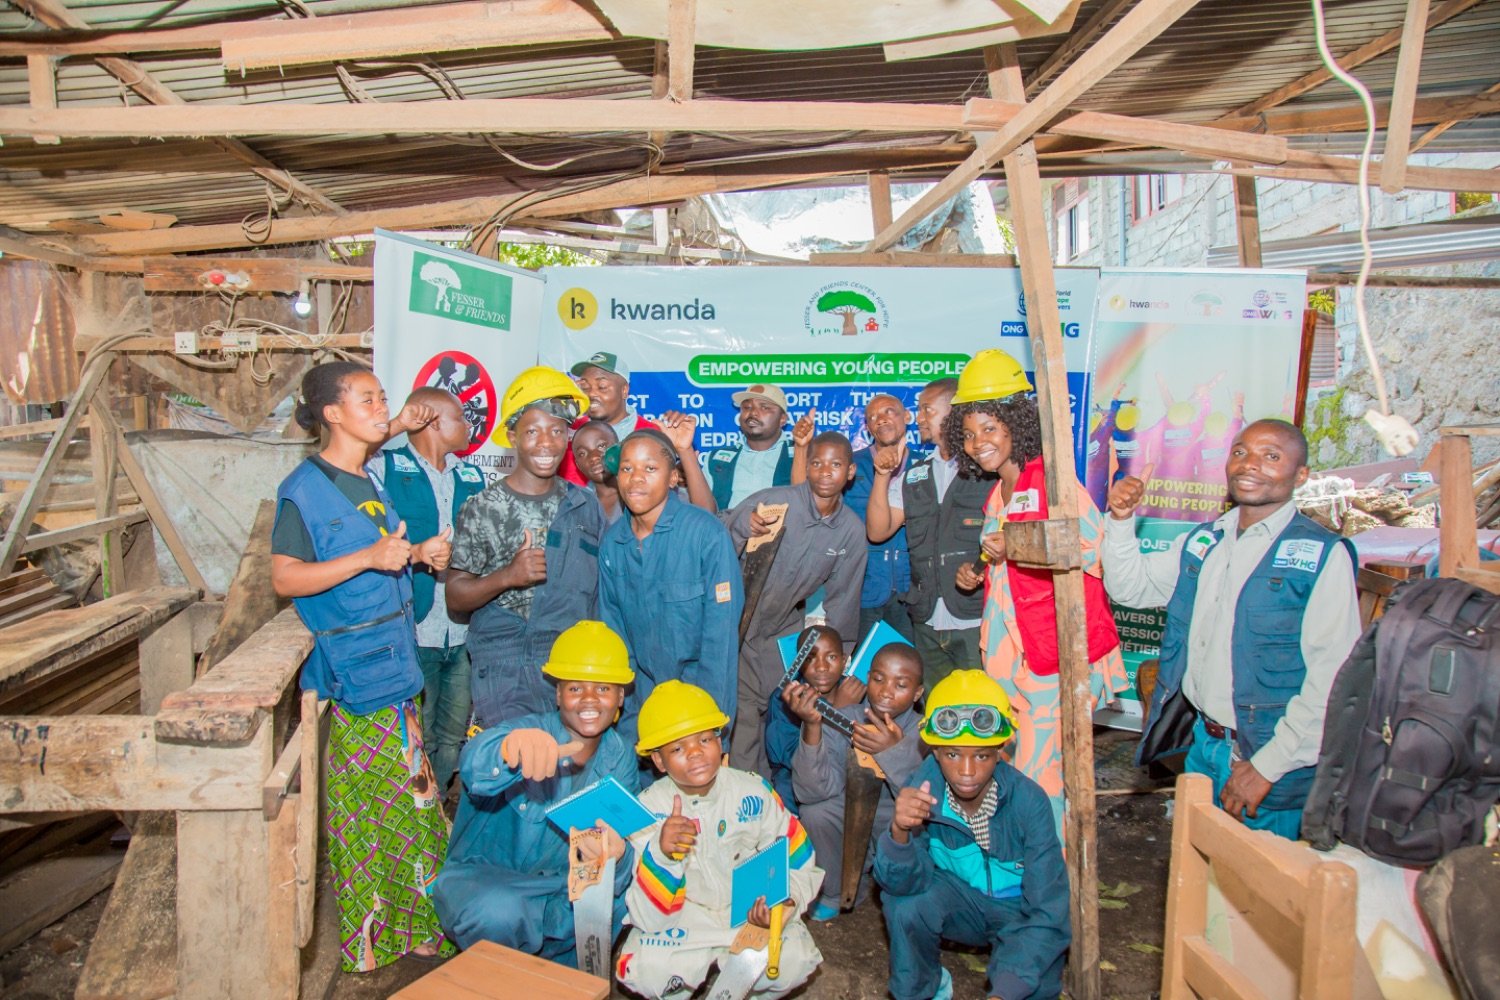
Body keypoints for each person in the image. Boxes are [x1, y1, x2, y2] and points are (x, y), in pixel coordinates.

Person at [270, 362, 455, 971]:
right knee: (369, 817)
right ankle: (372, 943)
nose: (382, 407)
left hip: (395, 670)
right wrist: (368, 557)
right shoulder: (304, 488)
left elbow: (379, 560)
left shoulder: (364, 480)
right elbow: (286, 577)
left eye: (382, 397)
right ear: (332, 413)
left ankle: (419, 928)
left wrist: (414, 555)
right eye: (368, 398)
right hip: (354, 677)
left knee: (415, 807)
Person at [1103, 419, 1361, 839]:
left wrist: (1266, 767)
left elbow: (1334, 680)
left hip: (1268, 757)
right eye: (1240, 452)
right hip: (1205, 744)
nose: (1250, 464)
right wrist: (1119, 520)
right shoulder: (1208, 541)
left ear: (1301, 476)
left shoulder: (1320, 557)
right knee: (1201, 880)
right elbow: (1131, 588)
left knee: (1258, 893)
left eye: (1271, 456)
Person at [949, 349, 1129, 836]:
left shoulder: (1051, 479)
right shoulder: (998, 493)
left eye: (988, 428)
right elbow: (1010, 571)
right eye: (967, 433)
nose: (977, 442)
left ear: (1015, 423)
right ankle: (1025, 871)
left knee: (1040, 779)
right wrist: (980, 571)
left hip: (1055, 658)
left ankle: (1051, 885)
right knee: (1013, 774)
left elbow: (1092, 551)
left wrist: (1016, 544)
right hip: (1013, 661)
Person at [431, 621, 638, 964]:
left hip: (563, 896)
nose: (589, 699)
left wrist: (619, 856)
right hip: (494, 886)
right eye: (575, 688)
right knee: (499, 910)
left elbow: (623, 840)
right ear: (557, 694)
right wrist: (509, 749)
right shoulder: (528, 731)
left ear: (620, 696)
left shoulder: (620, 757)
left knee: (620, 891)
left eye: (603, 688)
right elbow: (475, 764)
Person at [617, 681, 825, 999]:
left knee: (792, 960)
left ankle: (747, 991)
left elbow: (799, 860)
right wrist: (660, 854)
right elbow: (648, 916)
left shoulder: (754, 791)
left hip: (746, 912)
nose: (696, 753)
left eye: (704, 739)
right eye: (677, 748)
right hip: (685, 918)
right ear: (658, 761)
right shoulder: (646, 812)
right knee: (648, 970)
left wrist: (783, 905)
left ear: (720, 740)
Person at [875, 670, 1070, 1000]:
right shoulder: (922, 790)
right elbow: (902, 885)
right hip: (960, 901)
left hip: (1017, 911)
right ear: (935, 751)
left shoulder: (1029, 801)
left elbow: (1046, 910)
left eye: (981, 755)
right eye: (953, 754)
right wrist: (899, 834)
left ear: (1000, 751)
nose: (967, 771)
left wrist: (1004, 992)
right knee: (904, 905)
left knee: (1035, 977)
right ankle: (923, 989)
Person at [445, 366, 604, 727]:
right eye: (532, 431)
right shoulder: (483, 507)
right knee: (518, 764)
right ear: (513, 436)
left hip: (571, 663)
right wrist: (507, 577)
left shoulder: (584, 504)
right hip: (507, 663)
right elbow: (455, 597)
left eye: (557, 431)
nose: (546, 443)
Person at [723, 431, 868, 774]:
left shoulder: (850, 530)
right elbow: (718, 533)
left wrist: (840, 658)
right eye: (816, 463)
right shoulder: (776, 502)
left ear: (849, 472)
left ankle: (774, 797)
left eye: (836, 464)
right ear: (806, 467)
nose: (825, 472)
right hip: (736, 624)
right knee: (742, 716)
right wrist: (743, 525)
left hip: (784, 630)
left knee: (775, 710)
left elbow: (844, 598)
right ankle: (749, 796)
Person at [598, 429, 743, 769]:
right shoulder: (612, 544)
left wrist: (713, 728)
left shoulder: (705, 534)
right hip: (641, 707)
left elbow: (720, 644)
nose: (636, 479)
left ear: (674, 477)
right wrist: (626, 718)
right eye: (627, 469)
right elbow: (615, 637)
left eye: (650, 468)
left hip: (698, 705)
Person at [370, 387, 486, 790]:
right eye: (460, 417)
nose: (468, 425)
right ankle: (417, 817)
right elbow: (346, 460)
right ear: (435, 422)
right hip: (413, 627)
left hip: (463, 628)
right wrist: (399, 424)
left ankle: (436, 810)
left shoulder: (472, 475)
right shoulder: (386, 465)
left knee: (452, 733)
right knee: (413, 734)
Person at [865, 377, 992, 689]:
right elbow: (878, 531)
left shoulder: (987, 469)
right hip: (926, 618)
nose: (918, 417)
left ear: (952, 413)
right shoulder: (914, 474)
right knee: (936, 714)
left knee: (985, 713)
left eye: (926, 410)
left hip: (975, 618)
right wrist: (883, 476)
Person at [789, 644, 925, 920]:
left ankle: (903, 895)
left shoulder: (924, 732)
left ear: (917, 694)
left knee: (918, 831)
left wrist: (893, 752)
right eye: (878, 679)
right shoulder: (848, 717)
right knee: (815, 813)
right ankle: (836, 889)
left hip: (896, 817)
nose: (886, 691)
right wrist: (813, 727)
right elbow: (811, 791)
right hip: (851, 808)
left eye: (900, 684)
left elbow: (921, 799)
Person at [764, 623, 865, 812]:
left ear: (844, 660)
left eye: (832, 657)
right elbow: (793, 759)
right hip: (797, 782)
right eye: (810, 658)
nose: (821, 667)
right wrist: (838, 711)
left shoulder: (856, 691)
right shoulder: (784, 698)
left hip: (847, 774)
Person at [844, 393, 916, 644]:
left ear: (907, 416)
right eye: (872, 417)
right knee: (861, 674)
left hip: (913, 591)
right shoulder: (851, 465)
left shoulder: (924, 465)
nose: (880, 420)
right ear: (867, 427)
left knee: (913, 671)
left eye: (888, 411)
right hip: (864, 589)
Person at [560, 351, 657, 485]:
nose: (592, 394)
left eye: (602, 387)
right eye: (585, 387)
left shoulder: (651, 433)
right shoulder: (570, 432)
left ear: (624, 391)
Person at [707, 384, 796, 512]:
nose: (753, 412)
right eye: (746, 407)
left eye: (764, 407)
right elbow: (704, 513)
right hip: (725, 531)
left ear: (782, 419)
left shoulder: (801, 455)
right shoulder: (715, 459)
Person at [570, 419, 623, 524]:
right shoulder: (575, 506)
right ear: (578, 465)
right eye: (582, 453)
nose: (593, 457)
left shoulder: (639, 492)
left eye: (601, 446)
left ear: (618, 448)